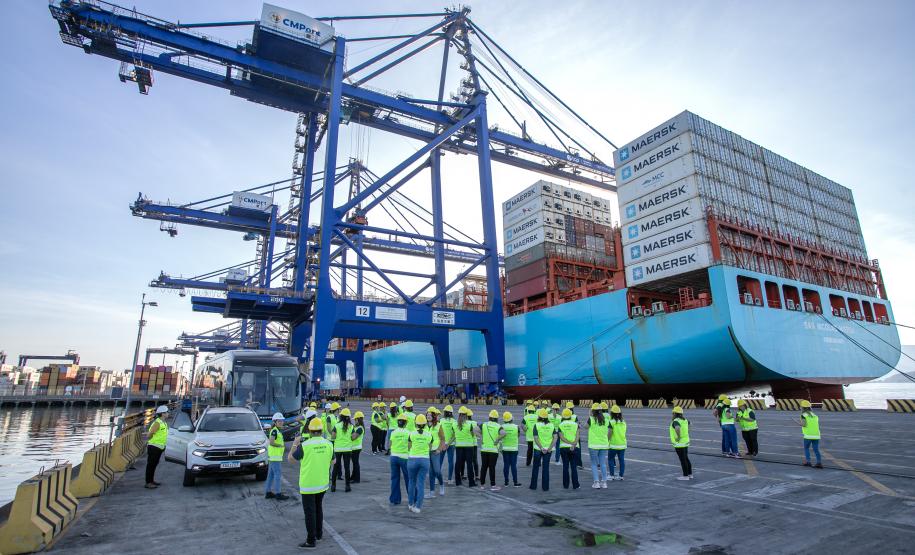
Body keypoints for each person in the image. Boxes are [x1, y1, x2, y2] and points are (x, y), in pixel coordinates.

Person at [288, 417, 334, 549]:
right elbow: (333, 462)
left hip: (308, 484)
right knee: (318, 508)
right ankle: (319, 534)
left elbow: (291, 459)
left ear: (309, 430)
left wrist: (295, 444)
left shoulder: (305, 445)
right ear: (321, 430)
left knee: (310, 512)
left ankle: (310, 540)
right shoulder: (328, 444)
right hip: (322, 483)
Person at [406, 414, 433, 513]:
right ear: (425, 424)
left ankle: (410, 503)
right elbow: (430, 448)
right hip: (424, 460)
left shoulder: (412, 434)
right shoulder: (429, 435)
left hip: (413, 459)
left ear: (416, 424)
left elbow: (409, 447)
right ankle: (418, 507)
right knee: (420, 483)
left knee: (411, 482)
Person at [529, 408, 556, 491]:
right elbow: (555, 437)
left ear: (539, 417)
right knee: (546, 468)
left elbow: (536, 438)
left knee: (535, 467)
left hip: (538, 449)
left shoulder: (536, 425)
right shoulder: (551, 425)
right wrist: (549, 448)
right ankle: (545, 487)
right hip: (548, 449)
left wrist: (541, 448)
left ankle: (533, 486)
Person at [387, 413, 410, 505]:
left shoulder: (393, 432)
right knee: (408, 479)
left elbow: (390, 445)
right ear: (405, 423)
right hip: (404, 458)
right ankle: (412, 498)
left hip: (394, 457)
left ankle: (395, 499)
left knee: (395, 478)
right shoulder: (408, 433)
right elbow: (409, 446)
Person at [480, 409, 506, 491]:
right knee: (492, 467)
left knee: (484, 467)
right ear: (497, 418)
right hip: (493, 451)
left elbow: (475, 430)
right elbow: (504, 433)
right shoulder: (498, 426)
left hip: (484, 449)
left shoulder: (484, 424)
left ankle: (482, 485)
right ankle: (493, 485)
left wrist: (481, 437)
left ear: (489, 417)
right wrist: (497, 440)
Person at [265, 412, 289, 500]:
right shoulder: (275, 431)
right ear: (275, 422)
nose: (281, 422)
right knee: (277, 475)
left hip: (274, 456)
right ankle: (278, 494)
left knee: (271, 475)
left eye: (282, 421)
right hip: (275, 457)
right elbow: (271, 442)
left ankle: (268, 492)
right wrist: (280, 445)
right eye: (279, 421)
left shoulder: (277, 430)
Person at [330, 408, 355, 492]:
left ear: (341, 416)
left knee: (336, 468)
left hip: (337, 449)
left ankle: (333, 486)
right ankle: (347, 486)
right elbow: (353, 437)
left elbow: (333, 437)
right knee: (347, 468)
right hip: (347, 449)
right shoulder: (351, 426)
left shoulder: (337, 425)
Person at [145, 405, 169, 489]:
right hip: (154, 447)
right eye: (166, 412)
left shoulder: (163, 423)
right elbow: (149, 435)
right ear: (162, 414)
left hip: (159, 447)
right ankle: (148, 482)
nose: (168, 413)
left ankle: (151, 481)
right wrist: (153, 441)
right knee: (151, 465)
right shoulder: (157, 423)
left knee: (154, 465)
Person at [454, 406, 479, 487]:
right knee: (469, 464)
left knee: (458, 463)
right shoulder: (470, 424)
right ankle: (471, 482)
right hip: (469, 446)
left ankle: (458, 481)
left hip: (459, 446)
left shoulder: (455, 424)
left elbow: (453, 435)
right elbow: (473, 434)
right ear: (466, 415)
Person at [587, 403, 610, 489]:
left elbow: (585, 427)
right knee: (603, 463)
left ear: (593, 411)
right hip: (603, 444)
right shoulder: (606, 420)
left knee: (594, 464)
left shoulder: (591, 419)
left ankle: (596, 482)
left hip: (593, 445)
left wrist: (589, 415)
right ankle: (604, 482)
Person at [426, 407, 446, 498]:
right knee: (430, 472)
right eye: (427, 415)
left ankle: (441, 485)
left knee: (437, 471)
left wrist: (439, 449)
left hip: (435, 452)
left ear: (434, 416)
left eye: (430, 415)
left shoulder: (438, 425)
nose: (428, 416)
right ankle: (432, 492)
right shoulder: (424, 425)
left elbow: (442, 439)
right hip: (427, 452)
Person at [557, 408, 580, 490]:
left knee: (565, 466)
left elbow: (561, 437)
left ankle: (566, 485)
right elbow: (577, 436)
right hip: (574, 447)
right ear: (571, 415)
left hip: (564, 448)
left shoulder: (561, 425)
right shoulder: (575, 424)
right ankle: (576, 485)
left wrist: (569, 443)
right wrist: (573, 444)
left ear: (562, 416)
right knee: (574, 467)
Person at [670, 406, 692, 480]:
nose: (672, 414)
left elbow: (677, 428)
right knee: (686, 458)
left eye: (673, 413)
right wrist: (687, 431)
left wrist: (678, 437)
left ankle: (685, 476)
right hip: (685, 442)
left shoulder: (676, 421)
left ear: (675, 413)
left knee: (683, 460)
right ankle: (690, 474)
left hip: (679, 444)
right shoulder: (685, 420)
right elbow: (690, 424)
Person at [798, 400, 822, 468]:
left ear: (802, 408)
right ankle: (819, 462)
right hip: (816, 435)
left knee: (806, 448)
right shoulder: (815, 415)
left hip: (808, 436)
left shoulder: (803, 415)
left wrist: (800, 424)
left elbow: (804, 424)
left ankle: (808, 462)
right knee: (816, 449)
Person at [501, 411, 521, 487]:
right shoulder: (516, 426)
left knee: (506, 465)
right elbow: (518, 435)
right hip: (514, 449)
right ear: (511, 419)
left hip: (505, 448)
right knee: (513, 466)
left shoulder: (502, 426)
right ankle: (515, 482)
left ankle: (506, 482)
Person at [608, 404, 627, 481]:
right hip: (622, 444)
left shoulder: (611, 422)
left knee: (610, 459)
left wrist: (606, 441)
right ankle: (621, 476)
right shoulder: (623, 422)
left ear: (612, 413)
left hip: (613, 445)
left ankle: (612, 475)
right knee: (621, 460)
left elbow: (610, 433)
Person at [439, 405, 457, 483]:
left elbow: (438, 433)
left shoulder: (441, 421)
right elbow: (455, 434)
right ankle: (449, 479)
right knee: (450, 461)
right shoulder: (454, 421)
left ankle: (437, 478)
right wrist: (449, 444)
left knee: (439, 461)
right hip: (451, 444)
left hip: (442, 444)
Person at [521, 402, 538, 467]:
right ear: (534, 411)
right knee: (536, 450)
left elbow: (522, 425)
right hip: (536, 436)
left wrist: (525, 429)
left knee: (529, 450)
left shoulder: (526, 417)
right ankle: (537, 463)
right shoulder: (537, 416)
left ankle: (528, 462)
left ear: (528, 411)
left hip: (529, 436)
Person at [351, 411, 365, 482]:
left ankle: (356, 478)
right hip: (354, 447)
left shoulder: (360, 428)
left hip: (356, 448)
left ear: (358, 420)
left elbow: (353, 437)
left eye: (355, 419)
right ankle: (353, 476)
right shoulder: (356, 427)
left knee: (355, 463)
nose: (354, 421)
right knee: (354, 463)